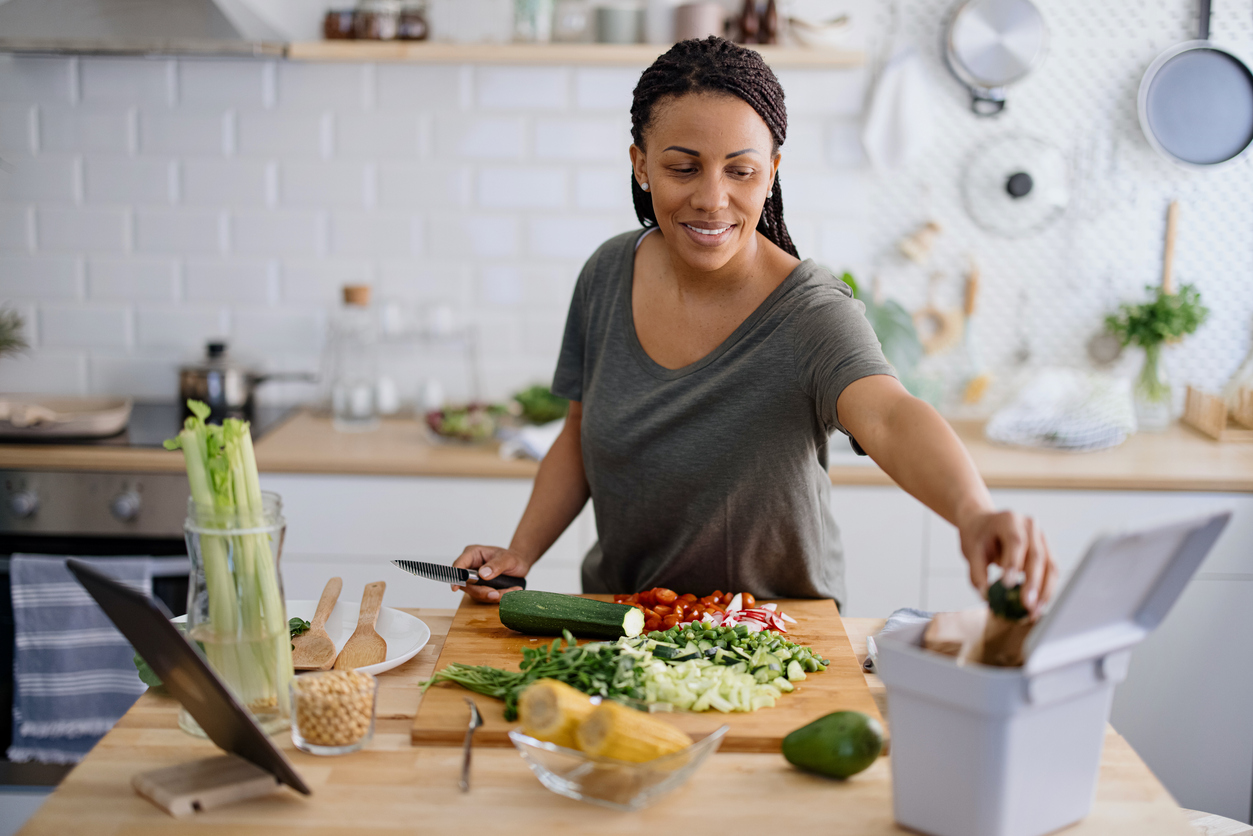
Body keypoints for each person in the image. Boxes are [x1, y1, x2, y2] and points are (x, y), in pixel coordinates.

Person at [454, 37, 1057, 615]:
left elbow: (891, 417)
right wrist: (520, 553)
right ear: (640, 166)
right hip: (623, 624)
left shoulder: (810, 312)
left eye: (739, 171)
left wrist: (975, 512)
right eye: (683, 168)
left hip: (774, 638)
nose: (712, 199)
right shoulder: (608, 274)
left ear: (771, 171)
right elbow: (579, 436)